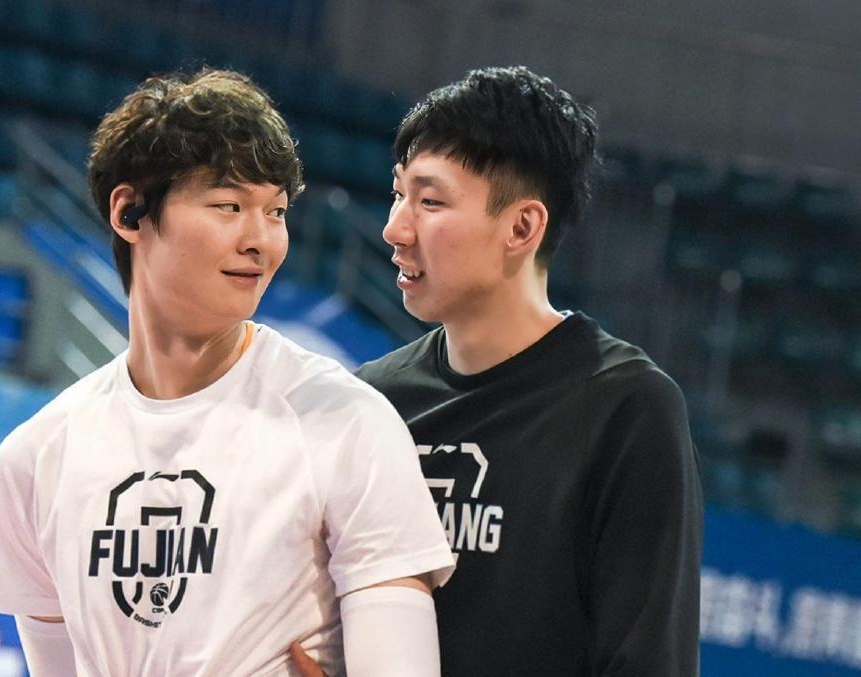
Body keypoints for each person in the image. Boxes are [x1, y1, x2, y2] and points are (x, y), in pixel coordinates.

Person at [0, 69, 454, 677]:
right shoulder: (33, 459)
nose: (261, 240)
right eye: (228, 206)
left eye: (276, 212)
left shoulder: (345, 423)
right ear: (129, 213)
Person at [293, 66, 703, 676]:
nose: (394, 229)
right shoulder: (373, 401)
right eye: (398, 194)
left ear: (522, 227)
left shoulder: (626, 409)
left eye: (430, 201)